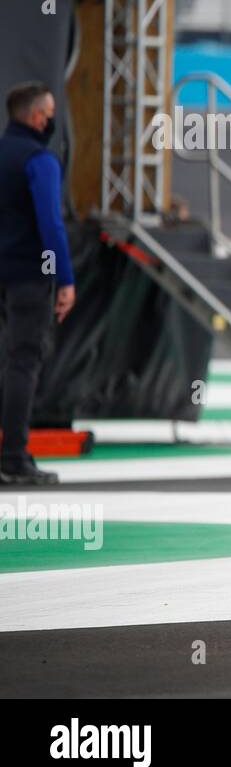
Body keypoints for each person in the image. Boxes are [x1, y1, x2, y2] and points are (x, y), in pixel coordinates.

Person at [0, 82, 75, 486]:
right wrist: (63, 277)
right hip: (28, 276)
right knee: (22, 362)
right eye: (48, 112)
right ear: (36, 117)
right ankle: (12, 457)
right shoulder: (39, 161)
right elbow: (51, 224)